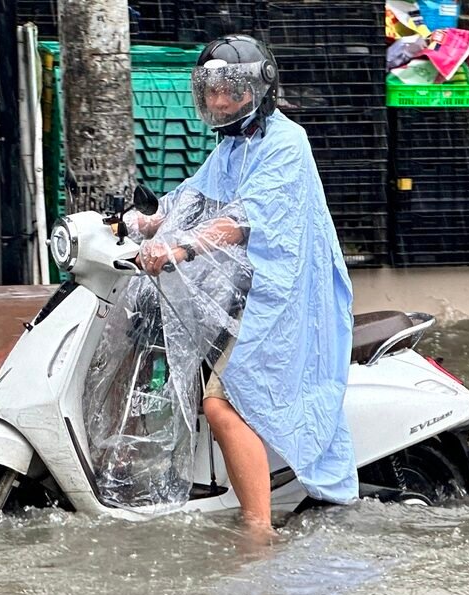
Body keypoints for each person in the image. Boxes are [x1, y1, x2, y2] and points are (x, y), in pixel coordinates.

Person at [127, 34, 358, 537]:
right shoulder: (233, 145)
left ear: (256, 90)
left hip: (285, 296)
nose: (216, 102)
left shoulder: (285, 142)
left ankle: (259, 532)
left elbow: (243, 218)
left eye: (227, 91)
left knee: (221, 402)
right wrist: (146, 222)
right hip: (242, 293)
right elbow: (193, 196)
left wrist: (182, 248)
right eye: (209, 92)